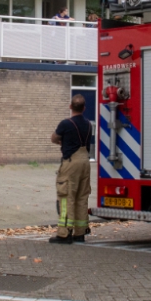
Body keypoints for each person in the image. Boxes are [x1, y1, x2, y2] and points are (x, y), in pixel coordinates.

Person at [49, 94, 93, 244]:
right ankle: (80, 233)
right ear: (84, 108)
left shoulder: (65, 124)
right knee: (81, 197)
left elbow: (54, 138)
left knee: (66, 195)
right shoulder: (88, 124)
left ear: (70, 106)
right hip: (85, 161)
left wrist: (63, 142)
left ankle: (65, 233)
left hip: (71, 162)